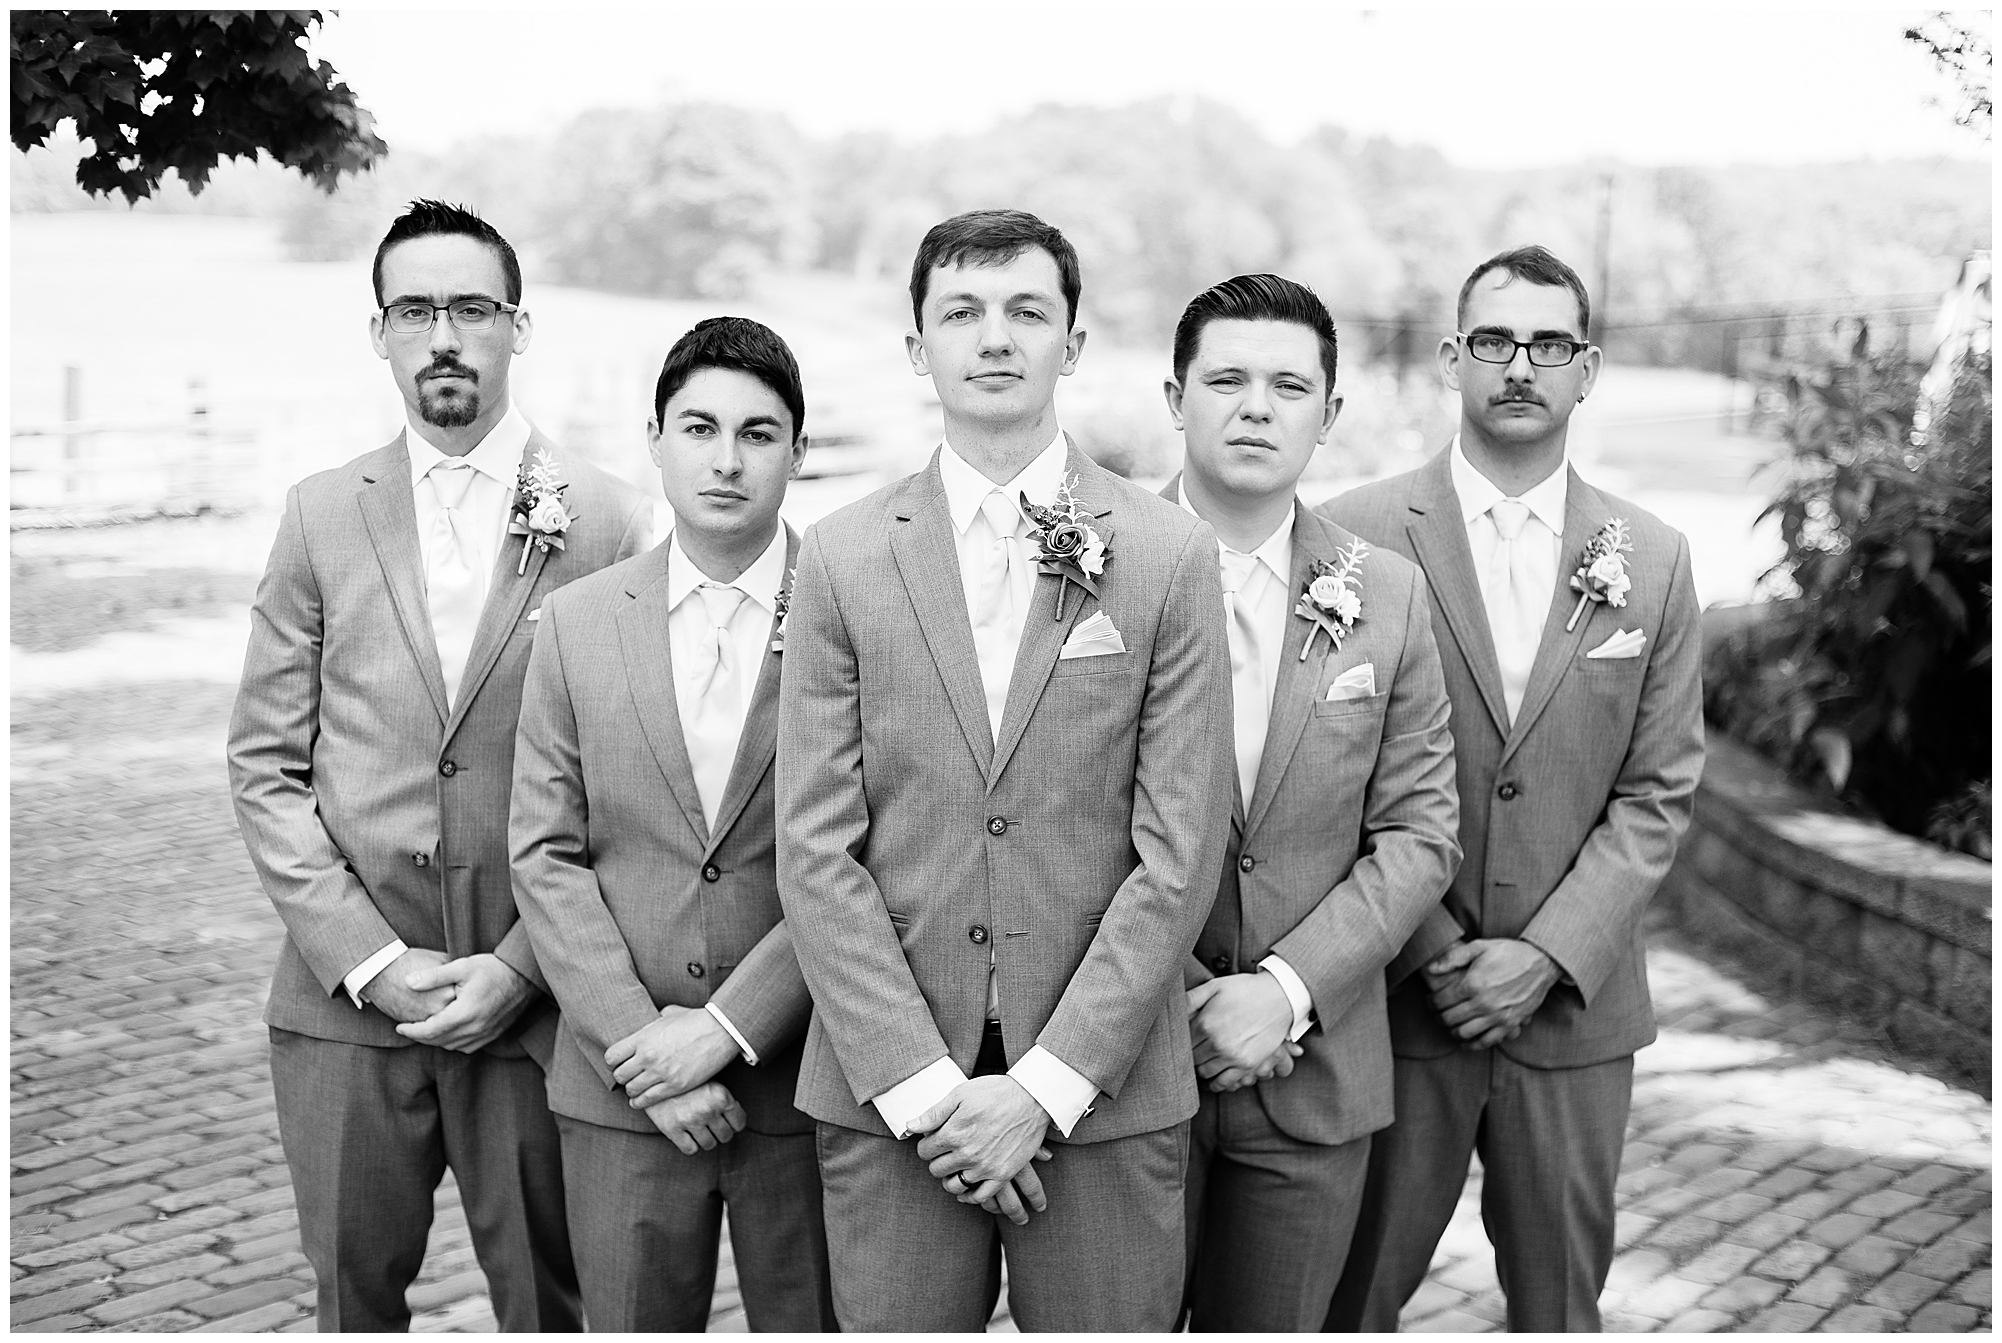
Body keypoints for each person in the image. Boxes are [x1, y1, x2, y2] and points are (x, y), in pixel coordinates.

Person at [774, 208, 1235, 1332]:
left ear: (1070, 344)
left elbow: (1179, 852)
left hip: (1103, 1090)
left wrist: (1046, 1085)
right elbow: (814, 847)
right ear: (917, 346)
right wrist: (930, 1092)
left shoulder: (1168, 554)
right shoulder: (838, 555)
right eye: (962, 313)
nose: (994, 337)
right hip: (893, 1096)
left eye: (1027, 311)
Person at [227, 199, 652, 1331]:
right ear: (380, 333)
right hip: (348, 1008)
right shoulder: (319, 515)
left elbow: (637, 791)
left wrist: (520, 967)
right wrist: (370, 961)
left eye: (472, 308)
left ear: (519, 325)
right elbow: (265, 765)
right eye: (414, 311)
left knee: (553, 1305)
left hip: (540, 1007)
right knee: (353, 1300)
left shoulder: (614, 521)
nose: (444, 337)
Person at [1322, 246, 1704, 1331]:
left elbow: (1658, 791)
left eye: (1549, 344)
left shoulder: (1655, 557)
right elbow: (1320, 774)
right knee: (1351, 1300)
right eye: (1494, 340)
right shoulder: (1347, 536)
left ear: (1589, 369)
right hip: (1398, 1001)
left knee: (1561, 1308)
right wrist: (1433, 948)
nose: (1520, 365)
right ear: (1453, 359)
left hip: (1574, 1011)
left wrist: (1543, 954)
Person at [509, 316, 836, 1331]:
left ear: (798, 450)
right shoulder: (575, 622)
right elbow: (545, 852)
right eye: (699, 428)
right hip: (622, 1085)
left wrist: (729, 1028)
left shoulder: (858, 609)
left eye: (757, 432)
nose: (726, 459)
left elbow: (870, 853)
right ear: (653, 438)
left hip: (807, 1079)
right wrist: (640, 1044)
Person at [1160, 274, 1461, 1331]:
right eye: (1227, 380)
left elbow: (1420, 834)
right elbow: (1053, 819)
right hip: (1125, 1064)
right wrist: (1189, 999)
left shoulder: (1388, 592)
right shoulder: (1086, 573)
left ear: (1327, 414)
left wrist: (1281, 993)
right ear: (1175, 398)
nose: (1257, 407)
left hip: (1316, 1072)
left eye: (1288, 386)